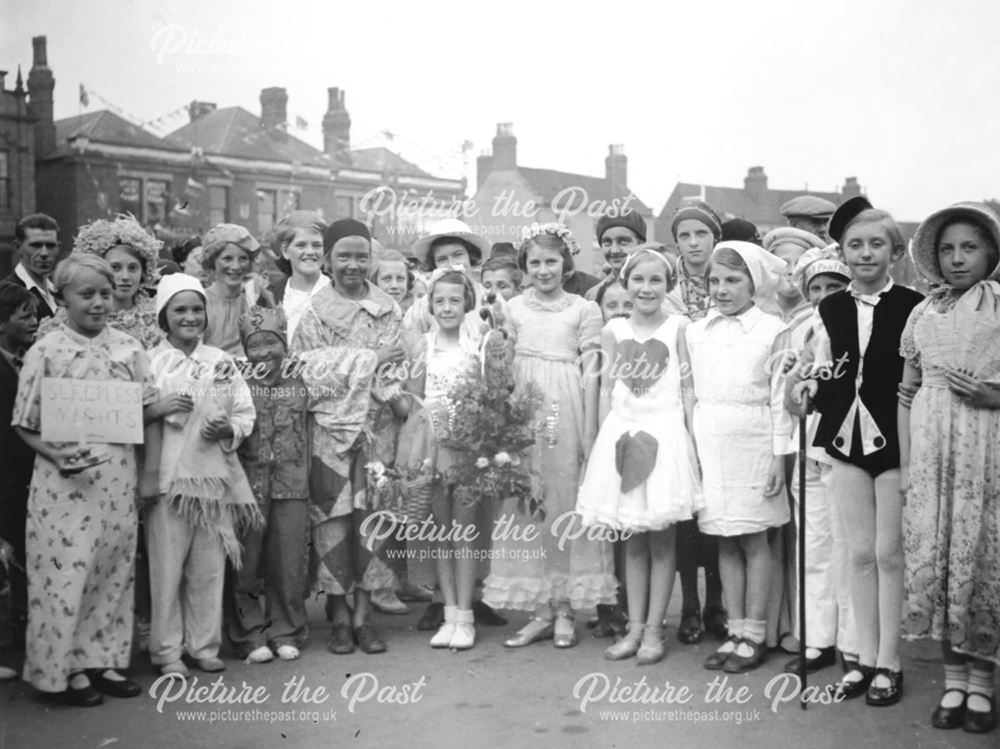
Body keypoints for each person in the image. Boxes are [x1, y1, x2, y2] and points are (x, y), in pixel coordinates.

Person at [793, 199, 923, 706]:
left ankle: (890, 660)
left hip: (895, 440)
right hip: (844, 441)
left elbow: (918, 378)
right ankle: (863, 660)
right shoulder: (829, 308)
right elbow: (823, 370)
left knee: (890, 554)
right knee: (859, 552)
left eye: (876, 244)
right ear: (841, 252)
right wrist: (808, 387)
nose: (865, 253)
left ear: (893, 250)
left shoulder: (913, 304)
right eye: (855, 245)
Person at [13, 254, 158, 706]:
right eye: (86, 294)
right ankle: (66, 668)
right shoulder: (46, 350)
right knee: (64, 575)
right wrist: (56, 454)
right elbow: (25, 422)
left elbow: (147, 409)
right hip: (65, 484)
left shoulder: (129, 349)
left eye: (106, 294)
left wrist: (149, 473)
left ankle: (104, 660)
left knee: (111, 572)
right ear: (61, 297)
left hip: (117, 479)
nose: (98, 303)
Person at [483, 223, 616, 648]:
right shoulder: (511, 308)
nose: (543, 270)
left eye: (551, 261)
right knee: (524, 504)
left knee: (561, 502)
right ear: (524, 266)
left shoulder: (583, 309)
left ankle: (565, 608)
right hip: (523, 407)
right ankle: (540, 608)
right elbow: (499, 366)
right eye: (535, 262)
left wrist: (591, 430)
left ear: (566, 263)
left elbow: (593, 372)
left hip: (565, 407)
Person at [899, 202, 1000, 733]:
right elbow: (907, 391)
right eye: (947, 249)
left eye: (970, 247)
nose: (958, 258)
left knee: (979, 555)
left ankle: (983, 682)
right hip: (932, 452)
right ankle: (954, 678)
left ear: (990, 252)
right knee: (938, 556)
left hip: (986, 451)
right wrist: (906, 461)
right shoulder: (923, 312)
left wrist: (994, 395)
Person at [577, 249, 702, 664]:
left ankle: (653, 631)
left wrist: (691, 438)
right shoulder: (614, 329)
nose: (647, 289)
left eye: (656, 281)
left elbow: (686, 388)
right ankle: (633, 629)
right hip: (623, 433)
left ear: (668, 287)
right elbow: (609, 388)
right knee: (632, 539)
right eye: (639, 280)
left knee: (663, 540)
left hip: (665, 434)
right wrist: (597, 440)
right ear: (625, 283)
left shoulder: (679, 327)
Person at [292, 219, 404, 656]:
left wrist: (375, 372)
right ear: (327, 261)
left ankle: (364, 617)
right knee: (333, 521)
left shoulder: (387, 309)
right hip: (329, 433)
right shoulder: (315, 312)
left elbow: (395, 369)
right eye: (344, 256)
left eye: (361, 256)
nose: (353, 265)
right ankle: (338, 617)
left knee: (371, 523)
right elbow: (308, 372)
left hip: (377, 431)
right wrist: (370, 359)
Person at [686, 241, 794, 674]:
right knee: (723, 539)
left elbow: (780, 399)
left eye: (733, 280)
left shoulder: (773, 331)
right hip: (712, 441)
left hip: (754, 441)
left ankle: (755, 634)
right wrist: (693, 451)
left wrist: (777, 459)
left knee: (753, 537)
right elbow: (691, 392)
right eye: (715, 280)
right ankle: (735, 628)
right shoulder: (697, 330)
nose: (722, 289)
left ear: (754, 283)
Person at [145, 273, 259, 677]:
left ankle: (205, 644)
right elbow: (133, 415)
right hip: (168, 480)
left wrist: (227, 428)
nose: (190, 317)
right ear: (164, 316)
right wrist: (157, 409)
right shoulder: (149, 361)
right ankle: (167, 651)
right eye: (180, 310)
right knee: (167, 567)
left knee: (209, 567)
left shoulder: (220, 361)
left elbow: (244, 411)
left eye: (197, 309)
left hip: (213, 479)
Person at [397, 269, 483, 648]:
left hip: (467, 448)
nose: (447, 308)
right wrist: (389, 393)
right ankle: (448, 613)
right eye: (439, 301)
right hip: (432, 449)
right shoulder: (422, 347)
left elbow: (492, 395)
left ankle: (466, 615)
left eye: (454, 300)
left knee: (464, 533)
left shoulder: (478, 345)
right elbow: (412, 402)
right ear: (429, 306)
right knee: (441, 534)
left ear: (468, 303)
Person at [782, 248, 854, 676]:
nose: (825, 296)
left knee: (845, 545)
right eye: (817, 288)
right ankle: (816, 638)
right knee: (811, 543)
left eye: (834, 287)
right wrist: (798, 384)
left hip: (845, 446)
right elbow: (789, 399)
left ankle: (851, 641)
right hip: (807, 443)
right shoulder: (802, 332)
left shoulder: (854, 330)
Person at [227, 306, 311, 663]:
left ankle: (286, 629)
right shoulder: (235, 379)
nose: (263, 352)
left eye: (270, 343)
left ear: (284, 343)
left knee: (288, 561)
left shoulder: (302, 379)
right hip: (248, 484)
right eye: (255, 345)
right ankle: (249, 633)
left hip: (292, 483)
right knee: (246, 561)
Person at [662, 201, 728, 645]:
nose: (692, 243)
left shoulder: (731, 281)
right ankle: (688, 604)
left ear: (714, 238)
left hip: (723, 406)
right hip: (676, 405)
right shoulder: (667, 292)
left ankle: (716, 604)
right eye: (684, 236)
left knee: (720, 509)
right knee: (686, 516)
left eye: (700, 234)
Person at [39, 215, 163, 349]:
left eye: (133, 268)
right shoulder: (72, 318)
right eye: (115, 267)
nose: (125, 276)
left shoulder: (159, 315)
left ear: (144, 272)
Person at [0, 283, 39, 670]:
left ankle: (21, 632)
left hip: (24, 477)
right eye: (24, 315)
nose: (34, 321)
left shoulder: (29, 358)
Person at [201, 223, 273, 357]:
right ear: (213, 261)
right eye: (227, 259)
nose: (236, 266)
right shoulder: (200, 301)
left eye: (243, 259)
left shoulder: (255, 300)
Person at [270, 211, 331, 343]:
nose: (309, 252)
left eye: (316, 245)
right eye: (301, 245)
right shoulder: (270, 296)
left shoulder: (337, 292)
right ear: (285, 251)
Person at [2, 213, 61, 320]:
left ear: (58, 248)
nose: (44, 253)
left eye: (50, 245)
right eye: (36, 245)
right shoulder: (5, 294)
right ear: (18, 247)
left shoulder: (61, 290)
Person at [371, 249, 418, 315]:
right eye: (387, 279)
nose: (394, 285)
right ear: (375, 282)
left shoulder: (416, 315)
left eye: (400, 279)